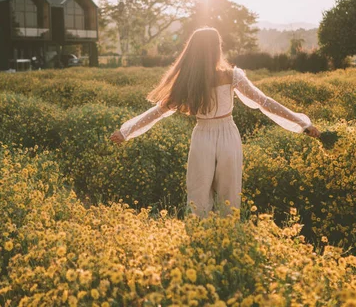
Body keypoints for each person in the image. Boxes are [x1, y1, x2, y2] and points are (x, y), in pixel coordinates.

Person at [109, 27, 321, 217]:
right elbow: (264, 102)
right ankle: (223, 240)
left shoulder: (189, 80)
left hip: (203, 136)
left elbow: (157, 112)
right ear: (216, 48)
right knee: (228, 196)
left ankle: (202, 242)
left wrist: (125, 132)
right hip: (227, 133)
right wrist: (303, 124)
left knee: (198, 195)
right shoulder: (230, 76)